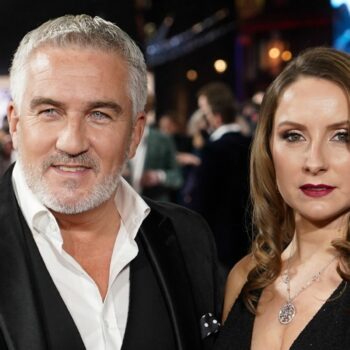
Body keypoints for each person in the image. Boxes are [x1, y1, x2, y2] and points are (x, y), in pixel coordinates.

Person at [0, 15, 222, 350]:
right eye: (49, 111)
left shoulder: (188, 238)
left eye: (99, 115)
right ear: (15, 124)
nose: (72, 143)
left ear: (135, 134)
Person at [214, 47, 350, 350]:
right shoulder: (244, 279)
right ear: (268, 149)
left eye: (342, 135)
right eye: (294, 136)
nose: (314, 162)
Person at [187, 82, 251, 270]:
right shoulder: (251, 143)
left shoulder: (214, 150)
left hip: (219, 243)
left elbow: (202, 202)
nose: (201, 119)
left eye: (204, 111)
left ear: (216, 116)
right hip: (251, 239)